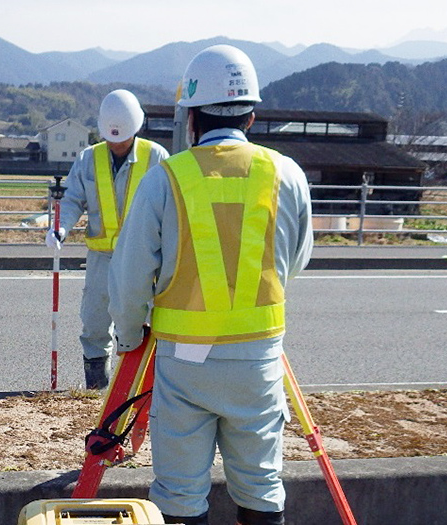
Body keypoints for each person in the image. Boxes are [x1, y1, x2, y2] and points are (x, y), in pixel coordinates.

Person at [108, 45, 313, 525]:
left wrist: (131, 334)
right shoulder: (287, 174)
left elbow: (131, 272)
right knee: (261, 486)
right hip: (259, 360)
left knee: (179, 495)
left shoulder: (166, 178)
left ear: (191, 116)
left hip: (184, 362)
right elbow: (294, 262)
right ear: (253, 116)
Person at [45, 89, 169, 389]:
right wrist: (60, 226)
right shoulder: (90, 158)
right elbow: (74, 199)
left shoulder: (157, 157)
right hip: (101, 257)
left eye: (123, 137)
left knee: (147, 322)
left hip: (145, 258)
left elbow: (170, 207)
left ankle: (146, 390)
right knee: (95, 325)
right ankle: (97, 392)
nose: (117, 142)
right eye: (111, 137)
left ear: (136, 127)